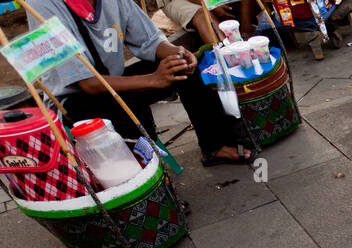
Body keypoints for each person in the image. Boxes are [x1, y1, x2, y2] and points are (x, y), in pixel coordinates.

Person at [27, 0, 253, 165]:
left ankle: (215, 146)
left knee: (182, 68)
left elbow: (149, 40)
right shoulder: (42, 5)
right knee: (118, 109)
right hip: (76, 100)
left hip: (114, 81)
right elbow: (86, 82)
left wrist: (177, 52)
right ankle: (152, 180)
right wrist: (153, 80)